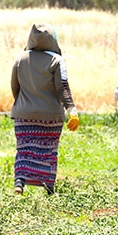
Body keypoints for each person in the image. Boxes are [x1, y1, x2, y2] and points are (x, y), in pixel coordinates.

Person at [10, 23, 79, 195]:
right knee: (48, 151)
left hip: (23, 115)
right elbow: (62, 87)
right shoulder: (57, 60)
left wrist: (22, 105)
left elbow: (14, 86)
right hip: (51, 117)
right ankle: (49, 188)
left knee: (24, 149)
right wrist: (71, 109)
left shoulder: (20, 58)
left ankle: (19, 182)